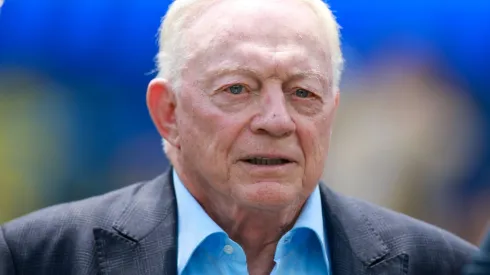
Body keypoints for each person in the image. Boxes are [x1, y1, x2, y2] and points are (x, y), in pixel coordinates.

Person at [0, 0, 478, 274]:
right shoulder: (35, 257)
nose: (277, 120)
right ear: (168, 113)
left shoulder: (445, 265)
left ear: (332, 112)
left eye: (302, 92)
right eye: (238, 89)